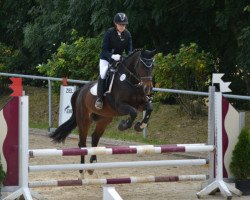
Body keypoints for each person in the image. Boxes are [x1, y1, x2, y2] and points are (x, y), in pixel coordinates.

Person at [95, 12, 133, 110]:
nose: (122, 26)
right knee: (103, 73)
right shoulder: (109, 32)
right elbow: (104, 50)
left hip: (119, 59)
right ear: (115, 24)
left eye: (124, 24)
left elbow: (130, 50)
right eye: (120, 24)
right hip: (106, 59)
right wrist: (112, 56)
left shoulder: (128, 34)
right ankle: (99, 99)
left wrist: (129, 58)